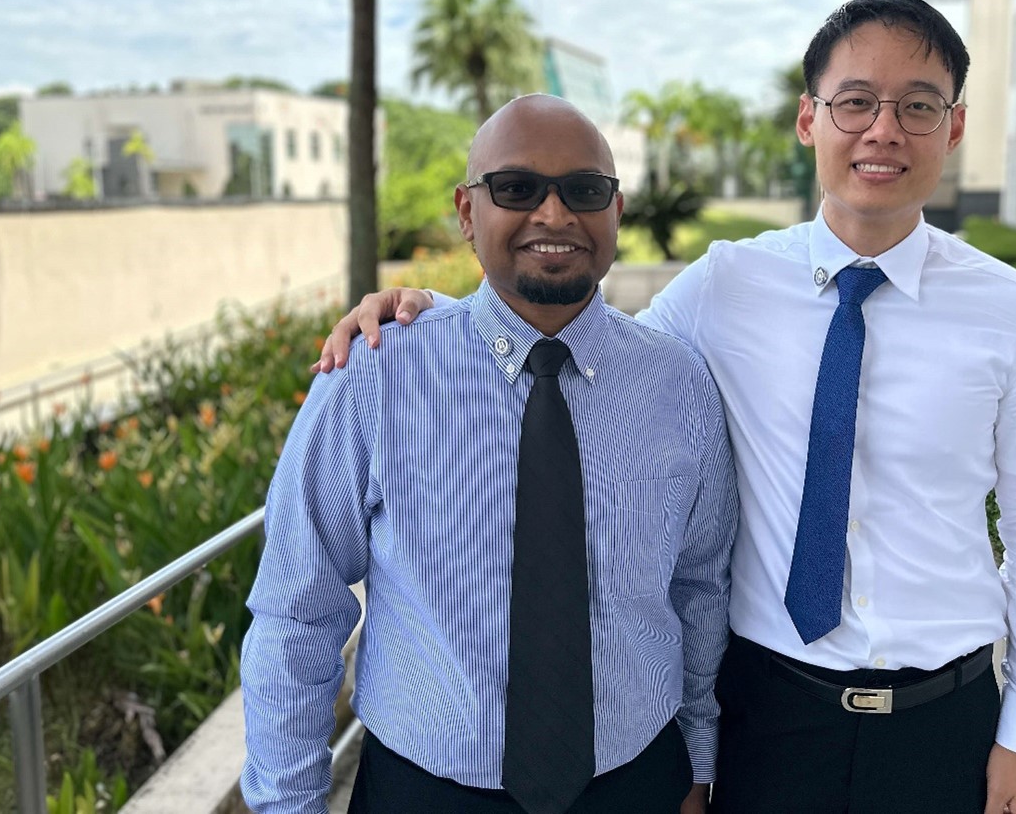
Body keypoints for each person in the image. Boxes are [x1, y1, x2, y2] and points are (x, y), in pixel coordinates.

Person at [314, 0, 1016, 814]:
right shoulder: (725, 284)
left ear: (954, 127)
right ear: (808, 120)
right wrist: (434, 314)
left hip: (948, 721)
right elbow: (584, 347)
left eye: (918, 106)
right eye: (855, 101)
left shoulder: (1014, 312)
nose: (882, 130)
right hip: (768, 714)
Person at [241, 95, 738, 814]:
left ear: (616, 212)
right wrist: (288, 805)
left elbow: (700, 589)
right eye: (516, 189)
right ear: (467, 212)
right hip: (423, 791)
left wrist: (696, 763)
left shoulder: (678, 384)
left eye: (584, 191)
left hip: (637, 784)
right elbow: (298, 610)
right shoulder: (376, 374)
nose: (554, 214)